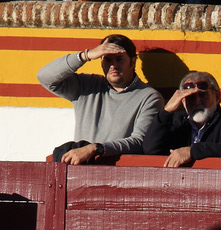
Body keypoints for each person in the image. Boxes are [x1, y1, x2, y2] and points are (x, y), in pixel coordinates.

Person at [37, 34, 164, 165]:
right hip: (80, 171)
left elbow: (139, 142)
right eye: (108, 60)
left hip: (118, 175)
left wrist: (96, 148)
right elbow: (45, 77)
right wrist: (85, 56)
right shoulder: (87, 85)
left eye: (119, 59)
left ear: (133, 62)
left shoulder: (149, 97)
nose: (113, 66)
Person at [142, 71, 221, 167]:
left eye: (203, 95)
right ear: (183, 101)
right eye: (190, 97)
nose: (197, 101)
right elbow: (151, 149)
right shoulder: (176, 121)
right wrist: (166, 111)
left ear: (217, 97)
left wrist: (192, 151)